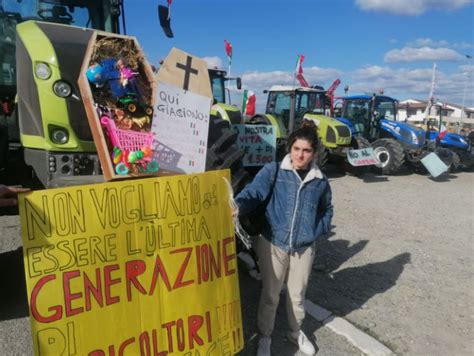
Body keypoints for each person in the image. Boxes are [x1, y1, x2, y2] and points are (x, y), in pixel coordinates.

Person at [235, 120, 333, 356]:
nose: (300, 155)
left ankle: (295, 332)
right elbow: (255, 192)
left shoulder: (320, 181)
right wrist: (238, 205)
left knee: (297, 296)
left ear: (314, 153)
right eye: (296, 148)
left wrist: (316, 230)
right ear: (290, 148)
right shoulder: (274, 170)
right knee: (270, 294)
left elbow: (327, 209)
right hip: (274, 244)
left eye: (306, 150)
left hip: (304, 247)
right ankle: (265, 336)